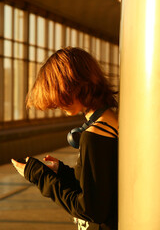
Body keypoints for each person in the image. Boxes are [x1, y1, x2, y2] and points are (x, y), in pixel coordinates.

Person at [11, 47, 119, 230]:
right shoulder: (112, 122)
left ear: (73, 84)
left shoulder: (93, 136)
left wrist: (39, 176)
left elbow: (90, 210)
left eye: (57, 96)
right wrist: (61, 172)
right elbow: (100, 187)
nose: (55, 105)